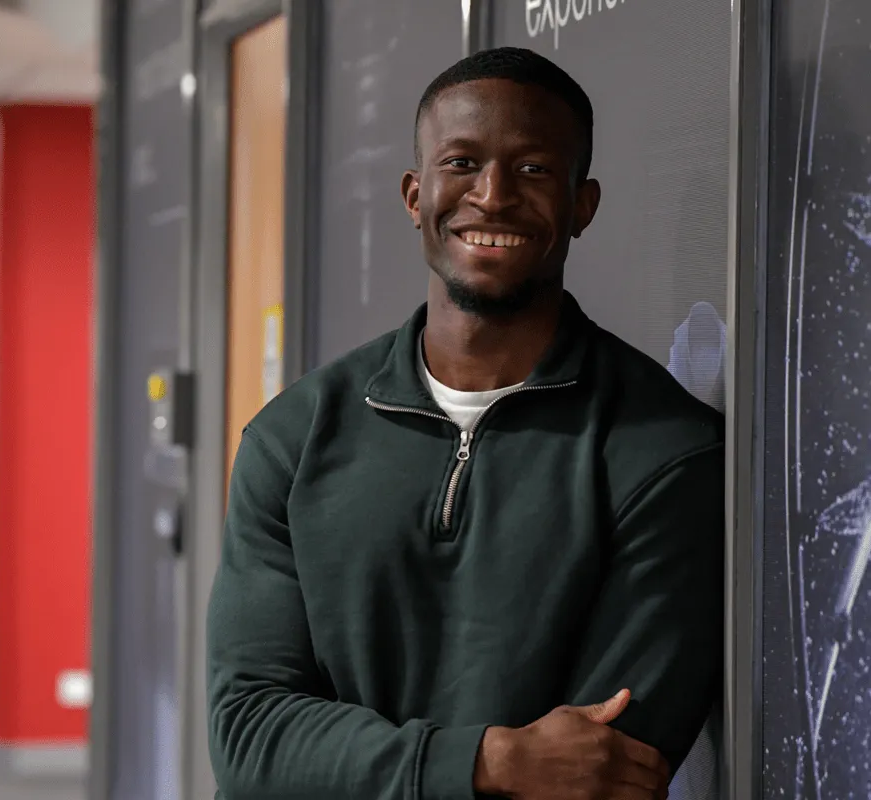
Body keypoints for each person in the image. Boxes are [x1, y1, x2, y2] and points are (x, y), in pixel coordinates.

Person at [206, 47, 724, 800]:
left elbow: (604, 772)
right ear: (416, 196)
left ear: (584, 204)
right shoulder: (292, 438)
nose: (493, 195)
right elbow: (249, 736)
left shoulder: (662, 452)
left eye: (535, 169)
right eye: (462, 163)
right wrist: (493, 761)